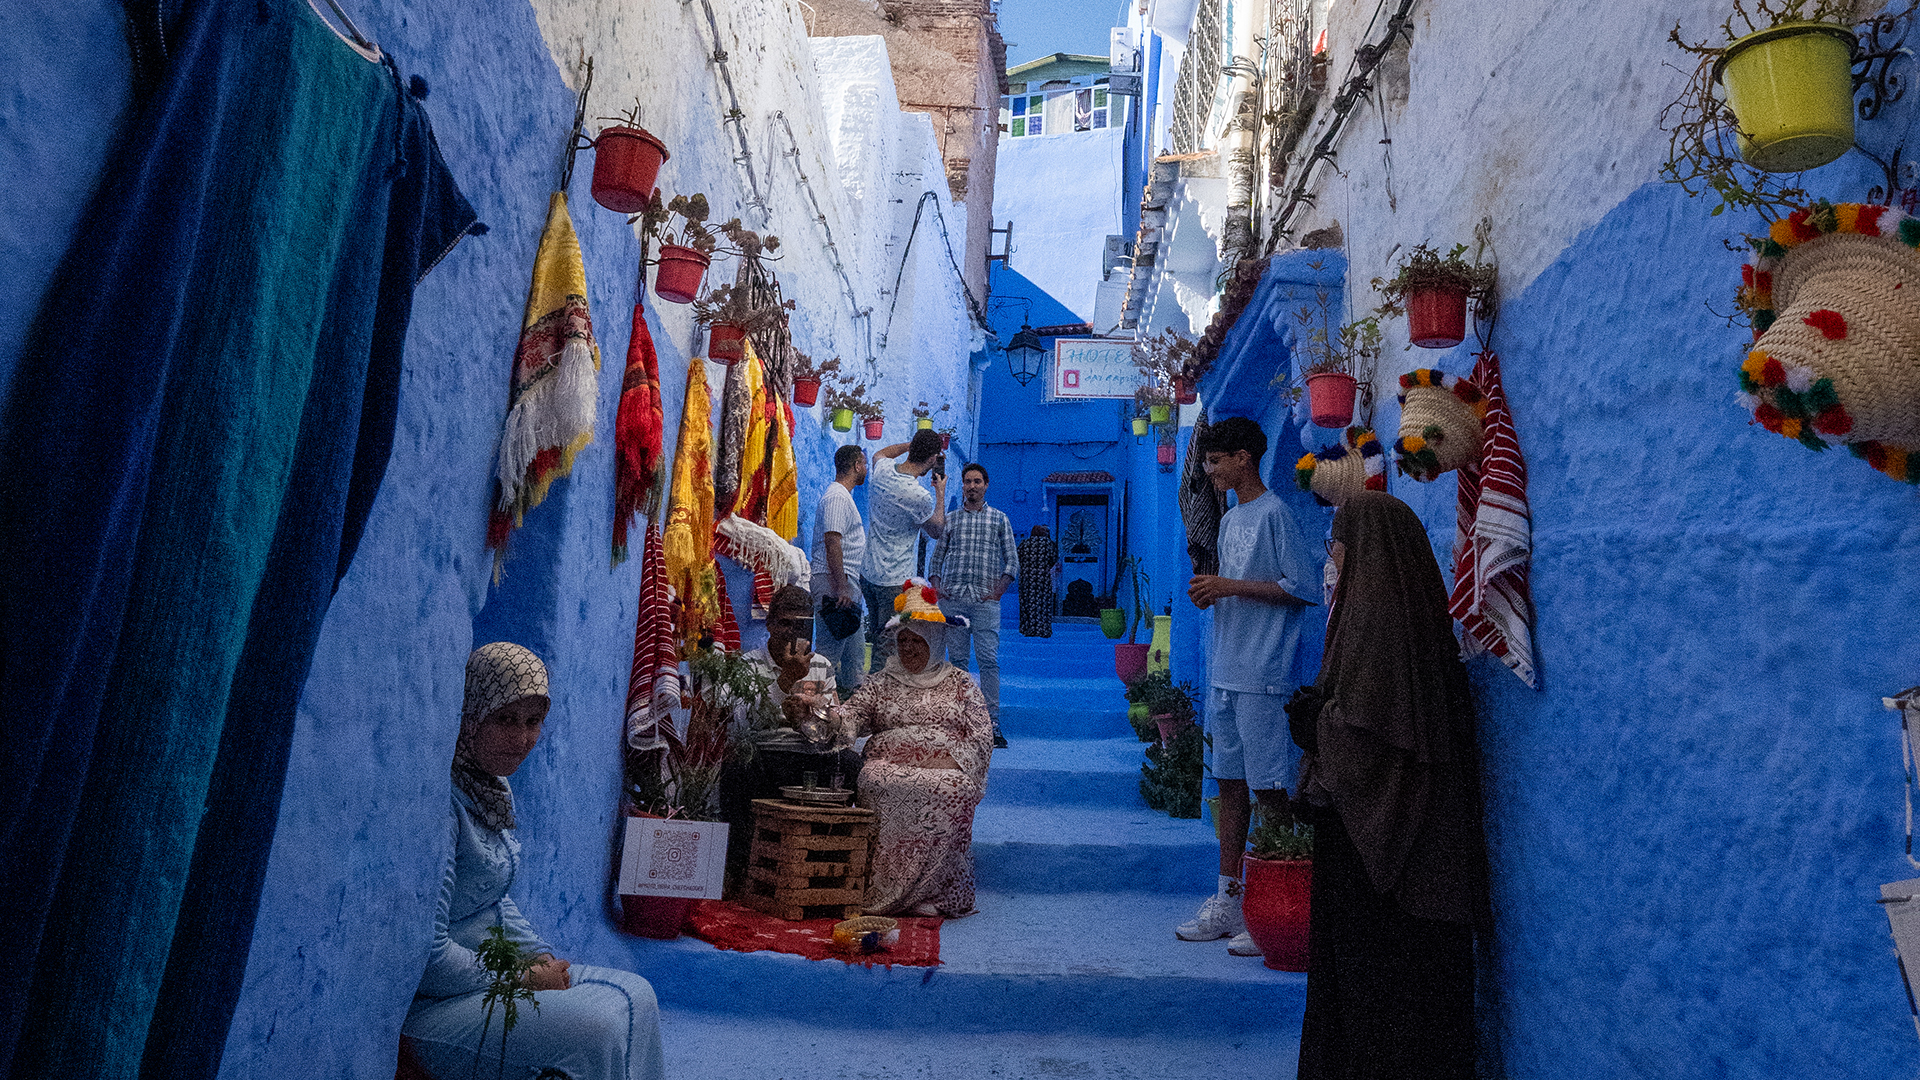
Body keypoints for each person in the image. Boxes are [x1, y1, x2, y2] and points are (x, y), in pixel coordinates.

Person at [1293, 491, 1489, 1080]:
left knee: (1376, 1004)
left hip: (1378, 855)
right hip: (1423, 855)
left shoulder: (1375, 625)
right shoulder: (1415, 616)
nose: (1332, 559)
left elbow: (1366, 736)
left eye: (1338, 547)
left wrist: (1313, 723)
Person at [403, 643, 665, 1080]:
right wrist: (521, 978)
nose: (521, 738)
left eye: (533, 721)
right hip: (437, 1008)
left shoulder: (488, 790)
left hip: (489, 982)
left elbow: (493, 899)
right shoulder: (444, 806)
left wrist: (538, 956)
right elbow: (428, 957)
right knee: (597, 1029)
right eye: (504, 719)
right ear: (470, 715)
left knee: (638, 994)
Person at [1177, 415, 1317, 958]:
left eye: (1216, 461)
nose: (1209, 471)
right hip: (1227, 673)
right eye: (1207, 462)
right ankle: (1228, 900)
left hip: (1264, 675)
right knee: (1229, 786)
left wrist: (1229, 585)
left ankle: (1271, 904)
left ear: (1243, 458)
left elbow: (1302, 587)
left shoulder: (1275, 514)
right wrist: (1213, 592)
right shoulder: (1231, 520)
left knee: (1269, 790)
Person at [835, 581, 992, 916]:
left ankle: (935, 894)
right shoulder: (880, 682)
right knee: (875, 778)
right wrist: (823, 716)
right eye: (902, 640)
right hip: (886, 769)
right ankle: (888, 889)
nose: (907, 648)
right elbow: (850, 717)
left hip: (949, 771)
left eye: (916, 640)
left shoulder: (961, 683)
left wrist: (951, 763)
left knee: (955, 788)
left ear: (934, 640)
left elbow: (980, 735)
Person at [929, 462, 1017, 748]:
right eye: (967, 481)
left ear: (986, 484)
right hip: (953, 600)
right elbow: (937, 557)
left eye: (977, 481)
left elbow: (1012, 561)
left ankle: (993, 724)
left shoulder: (999, 519)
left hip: (984, 602)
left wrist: (999, 590)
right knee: (957, 663)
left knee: (988, 661)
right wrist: (937, 585)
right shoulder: (952, 520)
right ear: (963, 485)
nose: (972, 486)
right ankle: (960, 720)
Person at [858, 429, 947, 673]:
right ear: (932, 459)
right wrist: (940, 495)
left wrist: (911, 444)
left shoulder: (883, 472)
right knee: (887, 648)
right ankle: (876, 702)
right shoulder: (919, 496)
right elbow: (936, 530)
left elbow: (881, 453)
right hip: (895, 580)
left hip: (868, 573)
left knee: (877, 638)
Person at [810, 444, 869, 696]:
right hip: (834, 584)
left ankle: (849, 712)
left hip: (843, 584)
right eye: (864, 463)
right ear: (856, 465)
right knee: (828, 653)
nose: (866, 469)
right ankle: (813, 707)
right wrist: (842, 586)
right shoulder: (837, 497)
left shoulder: (843, 497)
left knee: (854, 656)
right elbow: (832, 541)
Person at [1016, 524, 1058, 638]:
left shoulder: (1024, 543)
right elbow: (1053, 559)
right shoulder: (1049, 544)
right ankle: (1042, 629)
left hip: (1026, 578)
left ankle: (1028, 628)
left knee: (1027, 603)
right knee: (1042, 603)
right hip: (1042, 578)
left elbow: (1017, 558)